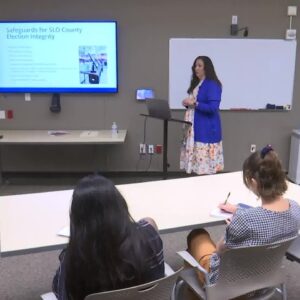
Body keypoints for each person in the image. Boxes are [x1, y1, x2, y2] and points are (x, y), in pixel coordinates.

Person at [186, 145, 300, 291]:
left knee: (198, 235)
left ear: (254, 183)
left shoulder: (245, 221)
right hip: (267, 275)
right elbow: (268, 216)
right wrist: (238, 210)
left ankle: (197, 292)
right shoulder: (295, 208)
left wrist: (232, 226)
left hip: (227, 283)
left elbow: (219, 251)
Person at [53, 174, 164, 300]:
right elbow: (149, 222)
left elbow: (61, 293)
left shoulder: (72, 260)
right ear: (119, 204)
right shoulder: (149, 236)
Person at [180, 56, 224, 175]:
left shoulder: (212, 84)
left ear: (207, 68)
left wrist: (194, 103)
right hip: (196, 128)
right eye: (195, 65)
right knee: (198, 168)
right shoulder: (198, 83)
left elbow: (213, 108)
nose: (196, 68)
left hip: (206, 130)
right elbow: (196, 103)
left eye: (199, 66)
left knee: (205, 169)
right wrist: (188, 103)